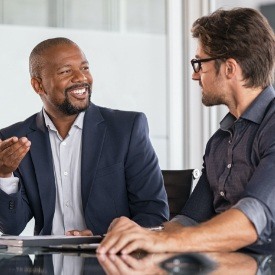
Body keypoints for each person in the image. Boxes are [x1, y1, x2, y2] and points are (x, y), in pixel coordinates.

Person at [97, 7, 275, 254]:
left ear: (230, 68)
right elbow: (189, 220)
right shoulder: (219, 142)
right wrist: (131, 236)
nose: (194, 75)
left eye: (199, 64)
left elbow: (253, 220)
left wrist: (162, 242)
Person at [0, 37, 169, 236]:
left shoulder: (126, 129)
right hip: (47, 262)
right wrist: (4, 174)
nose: (81, 78)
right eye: (65, 71)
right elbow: (12, 227)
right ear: (38, 86)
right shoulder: (15, 140)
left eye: (85, 68)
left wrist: (103, 239)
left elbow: (154, 215)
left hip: (109, 259)